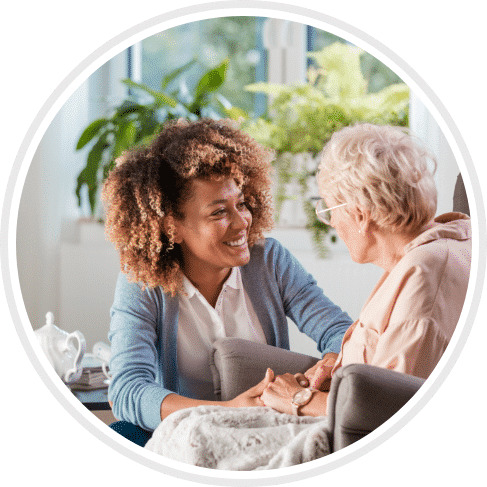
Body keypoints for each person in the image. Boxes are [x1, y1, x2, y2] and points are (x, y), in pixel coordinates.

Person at [102, 118, 352, 445]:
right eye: (219, 212)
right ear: (170, 227)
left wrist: (334, 360)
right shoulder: (142, 284)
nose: (241, 222)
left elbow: (339, 331)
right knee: (120, 437)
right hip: (186, 435)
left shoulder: (270, 260)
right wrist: (224, 410)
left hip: (269, 429)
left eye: (242, 204)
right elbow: (128, 389)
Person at [260, 123, 471, 417]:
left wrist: (298, 398)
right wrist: (341, 368)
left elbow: (390, 412)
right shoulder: (453, 240)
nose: (331, 222)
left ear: (360, 215)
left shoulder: (423, 275)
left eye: (329, 209)